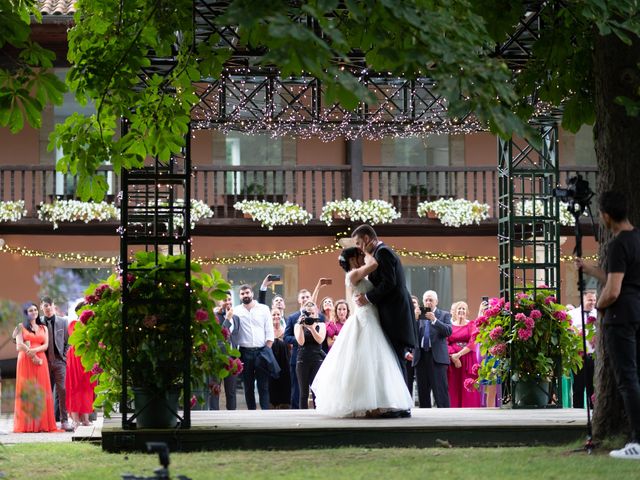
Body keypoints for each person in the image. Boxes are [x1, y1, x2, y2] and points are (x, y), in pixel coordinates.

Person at [312, 247, 414, 417]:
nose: (362, 257)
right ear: (352, 260)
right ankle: (368, 405)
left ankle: (377, 403)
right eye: (358, 256)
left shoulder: (359, 274)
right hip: (365, 320)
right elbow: (373, 264)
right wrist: (368, 249)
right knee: (365, 360)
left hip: (372, 317)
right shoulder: (352, 275)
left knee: (376, 362)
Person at [576, 191, 640, 460]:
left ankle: (637, 442)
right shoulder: (636, 239)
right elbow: (621, 278)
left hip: (620, 317)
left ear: (605, 215)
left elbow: (613, 290)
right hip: (636, 313)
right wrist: (592, 271)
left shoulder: (616, 245)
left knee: (627, 380)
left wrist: (599, 308)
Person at [351, 224, 417, 418]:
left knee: (396, 359)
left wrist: (368, 298)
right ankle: (397, 405)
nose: (359, 248)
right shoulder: (379, 253)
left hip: (395, 314)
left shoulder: (384, 253)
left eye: (359, 243)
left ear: (367, 238)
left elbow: (390, 283)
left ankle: (402, 407)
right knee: (393, 359)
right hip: (390, 313)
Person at [13, 302, 58, 432]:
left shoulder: (44, 327)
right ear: (26, 313)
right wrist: (32, 355)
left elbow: (46, 345)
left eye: (35, 310)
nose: (34, 312)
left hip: (41, 361)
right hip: (25, 360)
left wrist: (35, 350)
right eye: (30, 310)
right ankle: (27, 425)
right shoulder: (20, 326)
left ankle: (42, 424)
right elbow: (19, 345)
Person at [234, 284, 274, 410]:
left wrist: (267, 350)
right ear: (240, 296)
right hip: (244, 352)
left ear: (252, 293)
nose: (245, 295)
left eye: (247, 292)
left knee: (263, 385)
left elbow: (269, 331)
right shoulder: (236, 311)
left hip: (262, 351)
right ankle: (251, 412)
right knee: (248, 385)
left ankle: (265, 413)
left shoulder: (264, 309)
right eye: (242, 293)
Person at [412, 290, 452, 408]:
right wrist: (414, 319)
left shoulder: (444, 315)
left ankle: (445, 420)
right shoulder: (418, 315)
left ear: (436, 302)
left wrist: (435, 320)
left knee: (441, 393)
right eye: (426, 300)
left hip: (437, 359)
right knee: (423, 394)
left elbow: (448, 331)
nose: (428, 302)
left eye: (431, 300)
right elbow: (410, 334)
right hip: (421, 357)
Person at [40, 296, 74, 431]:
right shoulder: (39, 322)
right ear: (41, 307)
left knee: (62, 391)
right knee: (45, 392)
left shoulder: (63, 321)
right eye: (44, 306)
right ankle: (45, 422)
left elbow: (68, 341)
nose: (47, 309)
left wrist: (64, 356)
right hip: (44, 362)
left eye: (49, 306)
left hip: (59, 361)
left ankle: (64, 421)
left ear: (53, 306)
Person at [65, 301, 96, 428]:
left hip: (87, 357)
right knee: (75, 387)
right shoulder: (74, 324)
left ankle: (86, 418)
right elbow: (77, 340)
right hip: (75, 357)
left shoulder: (92, 325)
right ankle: (75, 419)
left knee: (87, 387)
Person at [447, 301, 481, 407]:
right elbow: (445, 342)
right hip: (453, 361)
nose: (461, 311)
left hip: (468, 360)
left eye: (463, 309)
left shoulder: (471, 324)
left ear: (467, 312)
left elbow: (473, 342)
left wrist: (459, 354)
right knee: (454, 385)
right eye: (459, 309)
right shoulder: (449, 326)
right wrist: (454, 357)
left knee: (469, 386)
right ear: (454, 312)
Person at [210, 292, 240, 410]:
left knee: (231, 392)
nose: (227, 302)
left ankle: (232, 416)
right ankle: (213, 415)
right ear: (219, 302)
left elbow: (236, 337)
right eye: (224, 300)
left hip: (232, 360)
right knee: (214, 389)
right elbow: (219, 335)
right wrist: (227, 319)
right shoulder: (214, 316)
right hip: (217, 358)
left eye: (229, 299)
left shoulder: (236, 318)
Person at [568, 290, 597, 409]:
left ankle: (594, 414)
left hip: (594, 357)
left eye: (594, 300)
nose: (592, 303)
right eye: (590, 300)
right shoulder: (573, 314)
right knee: (578, 388)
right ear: (583, 300)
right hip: (578, 357)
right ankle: (577, 413)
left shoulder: (598, 314)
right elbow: (567, 332)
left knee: (593, 389)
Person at [294, 301, 326, 409]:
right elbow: (301, 342)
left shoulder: (321, 325)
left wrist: (312, 327)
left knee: (316, 391)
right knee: (303, 393)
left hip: (317, 359)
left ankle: (319, 414)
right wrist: (302, 326)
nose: (310, 315)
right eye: (308, 313)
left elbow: (320, 340)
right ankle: (302, 417)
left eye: (312, 313)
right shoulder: (297, 325)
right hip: (302, 360)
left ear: (316, 313)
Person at [269, 308, 291, 408]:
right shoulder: (268, 330)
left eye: (278, 314)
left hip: (285, 362)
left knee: (285, 383)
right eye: (273, 314)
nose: (276, 316)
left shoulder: (286, 329)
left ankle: (284, 405)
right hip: (271, 362)